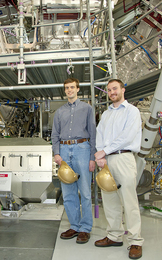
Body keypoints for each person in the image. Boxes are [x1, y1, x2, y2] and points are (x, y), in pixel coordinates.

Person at [94, 78, 144, 259]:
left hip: (123, 158)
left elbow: (127, 136)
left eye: (115, 88)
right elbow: (99, 134)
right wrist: (100, 154)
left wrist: (104, 151)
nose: (112, 92)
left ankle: (135, 241)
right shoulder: (106, 114)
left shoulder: (132, 111)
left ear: (123, 89)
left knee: (129, 201)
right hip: (106, 160)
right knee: (109, 200)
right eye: (109, 90)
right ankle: (115, 235)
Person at [51, 78, 96, 244]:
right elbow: (55, 135)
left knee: (84, 191)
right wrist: (57, 153)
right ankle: (74, 226)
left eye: (72, 87)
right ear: (64, 91)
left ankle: (85, 228)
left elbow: (93, 133)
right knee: (68, 192)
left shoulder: (87, 109)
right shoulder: (59, 111)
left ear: (77, 89)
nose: (69, 90)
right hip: (64, 150)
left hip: (82, 149)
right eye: (66, 88)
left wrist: (92, 157)